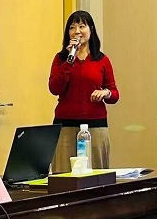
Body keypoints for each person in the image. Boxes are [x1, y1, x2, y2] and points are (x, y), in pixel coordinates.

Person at [48, 10, 119, 173]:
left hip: (95, 127)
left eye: (82, 26)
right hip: (65, 126)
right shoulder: (61, 59)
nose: (77, 31)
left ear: (91, 29)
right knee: (64, 176)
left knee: (96, 176)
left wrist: (105, 93)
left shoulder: (102, 60)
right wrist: (69, 59)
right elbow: (54, 88)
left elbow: (115, 94)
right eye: (72, 28)